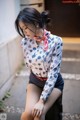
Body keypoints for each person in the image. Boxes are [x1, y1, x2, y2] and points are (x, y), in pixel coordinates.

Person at [15, 7, 64, 120]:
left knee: (38, 114)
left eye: (26, 27)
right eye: (22, 29)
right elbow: (30, 66)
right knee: (28, 114)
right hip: (35, 81)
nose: (24, 32)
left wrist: (41, 100)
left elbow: (53, 74)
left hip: (54, 84)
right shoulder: (25, 42)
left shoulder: (56, 41)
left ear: (36, 23)